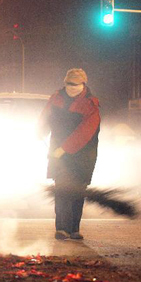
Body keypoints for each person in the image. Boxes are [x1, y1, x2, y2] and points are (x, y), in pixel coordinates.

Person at [38, 68, 100, 240]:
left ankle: (74, 229)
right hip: (59, 154)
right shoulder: (56, 98)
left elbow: (84, 133)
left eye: (76, 85)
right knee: (62, 189)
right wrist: (39, 130)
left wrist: (63, 149)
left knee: (77, 191)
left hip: (82, 155)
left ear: (83, 85)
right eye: (69, 84)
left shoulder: (90, 105)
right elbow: (46, 117)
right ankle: (62, 229)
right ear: (64, 83)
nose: (72, 87)